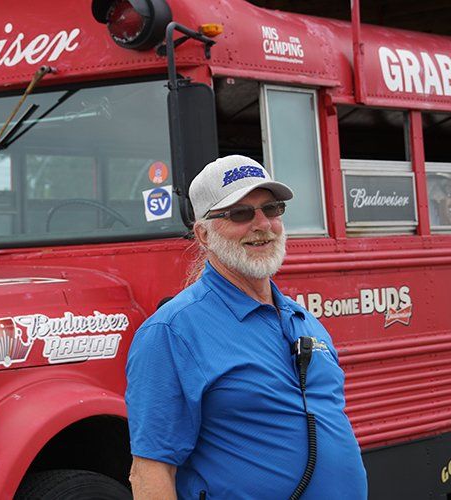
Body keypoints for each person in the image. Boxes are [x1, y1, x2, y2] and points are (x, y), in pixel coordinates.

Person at [125, 155, 367, 499]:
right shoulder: (171, 332)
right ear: (203, 234)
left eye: (271, 209)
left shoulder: (302, 319)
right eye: (240, 213)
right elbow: (151, 470)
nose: (262, 224)